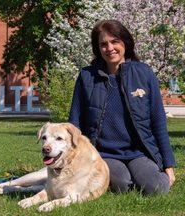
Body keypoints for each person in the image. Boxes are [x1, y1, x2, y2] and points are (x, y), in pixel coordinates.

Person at [68, 19, 176, 195]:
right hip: (103, 153)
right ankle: (125, 181)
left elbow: (158, 122)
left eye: (114, 42)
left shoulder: (144, 73)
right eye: (103, 44)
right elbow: (74, 123)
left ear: (125, 42)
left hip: (139, 153)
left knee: (157, 188)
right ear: (98, 49)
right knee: (122, 184)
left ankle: (143, 177)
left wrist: (169, 165)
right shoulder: (86, 77)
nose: (109, 48)